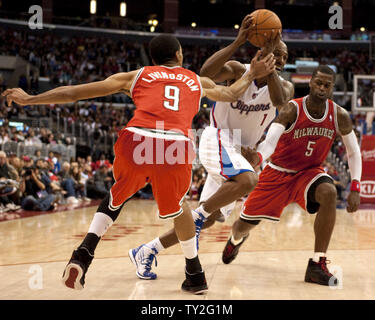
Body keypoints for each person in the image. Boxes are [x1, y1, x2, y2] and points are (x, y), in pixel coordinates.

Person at [2, 34, 275, 294]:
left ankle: (84, 252)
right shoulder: (195, 80)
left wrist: (31, 99)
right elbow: (231, 94)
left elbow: (75, 93)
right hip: (174, 145)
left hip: (138, 139)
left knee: (117, 195)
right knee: (179, 209)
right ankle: (194, 274)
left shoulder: (137, 75)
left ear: (154, 59)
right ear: (179, 55)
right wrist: (251, 72)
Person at [129, 15, 294, 280]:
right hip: (219, 138)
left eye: (283, 56)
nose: (280, 59)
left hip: (244, 152)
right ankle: (195, 220)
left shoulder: (284, 85)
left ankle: (147, 250)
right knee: (246, 181)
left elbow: (280, 102)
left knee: (208, 218)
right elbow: (203, 75)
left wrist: (271, 66)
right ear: (260, 49)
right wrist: (239, 40)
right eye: (276, 52)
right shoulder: (240, 70)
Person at [222, 65, 361, 286]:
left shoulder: (339, 115)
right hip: (276, 174)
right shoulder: (291, 109)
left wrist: (355, 186)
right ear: (310, 82)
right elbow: (270, 142)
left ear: (332, 87)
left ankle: (317, 263)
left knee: (329, 192)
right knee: (243, 225)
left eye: (327, 85)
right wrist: (258, 157)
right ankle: (236, 239)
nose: (322, 88)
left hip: (309, 174)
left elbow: (353, 152)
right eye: (319, 83)